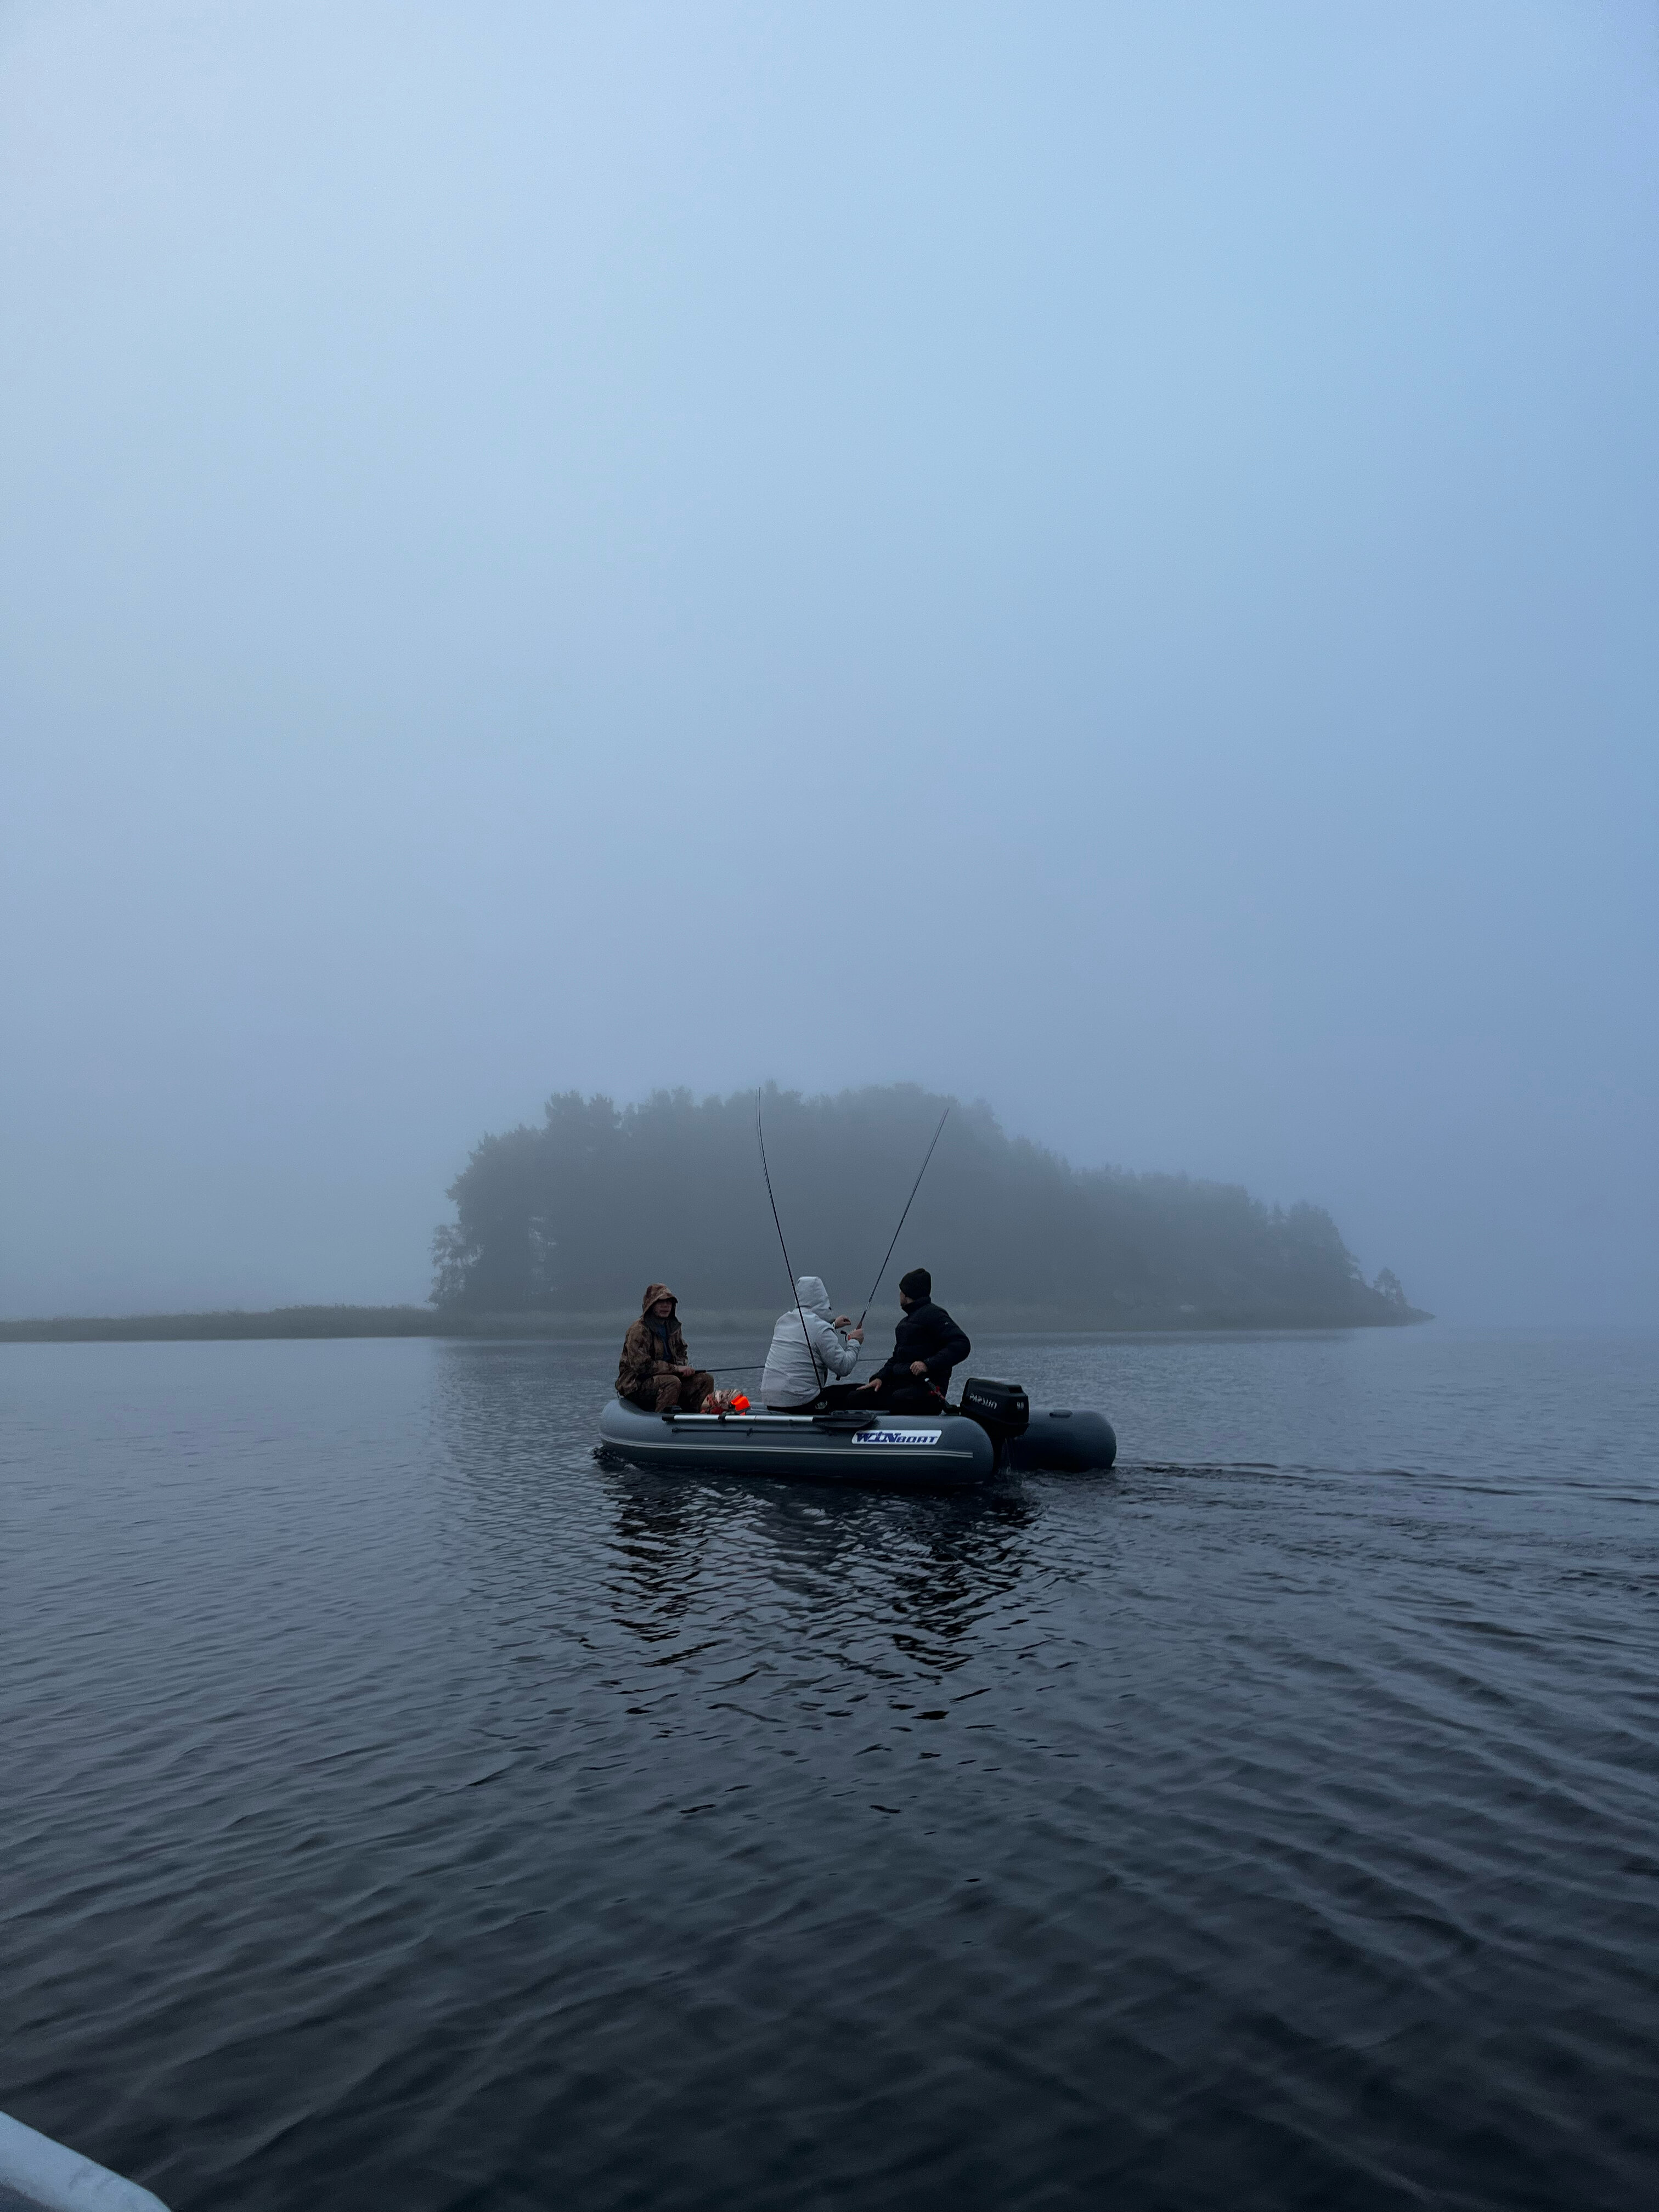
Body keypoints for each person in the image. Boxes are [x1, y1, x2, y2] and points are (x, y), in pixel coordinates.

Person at [855, 1267, 970, 1412]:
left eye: (901, 1291)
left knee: (897, 1399)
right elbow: (897, 1359)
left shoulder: (935, 1315)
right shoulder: (905, 1323)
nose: (899, 1295)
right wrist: (880, 1378)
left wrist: (927, 1364)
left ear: (907, 1293)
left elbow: (962, 1344)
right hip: (900, 1385)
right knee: (855, 1397)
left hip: (927, 1391)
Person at [761, 1277, 865, 1411]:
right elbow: (844, 1367)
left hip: (771, 1401)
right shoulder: (821, 1329)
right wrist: (855, 1342)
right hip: (801, 1402)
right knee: (861, 1391)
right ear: (823, 1298)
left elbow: (809, 1335)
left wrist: (833, 1325)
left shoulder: (783, 1321)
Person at [616, 1284, 716, 1414]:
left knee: (706, 1380)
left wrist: (684, 1369)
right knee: (671, 1382)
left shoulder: (674, 1328)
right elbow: (641, 1366)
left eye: (669, 1302)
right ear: (651, 1305)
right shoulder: (639, 1331)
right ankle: (662, 1418)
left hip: (670, 1379)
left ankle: (695, 1416)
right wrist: (676, 1369)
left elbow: (681, 1352)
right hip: (636, 1384)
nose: (666, 1306)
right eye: (661, 1302)